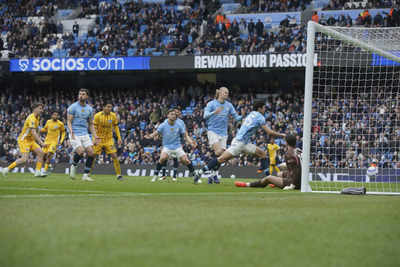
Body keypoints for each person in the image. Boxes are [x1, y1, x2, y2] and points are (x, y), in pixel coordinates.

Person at [194, 100, 285, 184]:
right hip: (239, 143)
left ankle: (268, 178)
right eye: (264, 107)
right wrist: (283, 135)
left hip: (244, 143)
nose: (265, 109)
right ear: (260, 108)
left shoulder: (252, 113)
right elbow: (269, 132)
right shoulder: (260, 117)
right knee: (221, 159)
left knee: (263, 154)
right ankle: (200, 172)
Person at [145, 109, 197, 182]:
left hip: (177, 146)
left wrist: (191, 142)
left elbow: (185, 136)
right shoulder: (163, 125)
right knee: (162, 158)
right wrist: (150, 136)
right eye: (171, 114)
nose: (173, 115)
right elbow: (156, 132)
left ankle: (195, 176)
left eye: (174, 114)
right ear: (168, 115)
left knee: (186, 160)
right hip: (167, 146)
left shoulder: (179, 125)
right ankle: (155, 175)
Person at [203, 86, 242, 184]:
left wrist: (243, 117)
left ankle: (213, 175)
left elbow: (236, 117)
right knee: (218, 152)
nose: (227, 94)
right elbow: (205, 116)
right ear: (220, 93)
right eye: (225, 92)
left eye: (227, 93)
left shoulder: (229, 105)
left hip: (224, 133)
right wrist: (214, 112)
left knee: (222, 156)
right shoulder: (211, 104)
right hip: (213, 131)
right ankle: (211, 174)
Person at [235, 135, 301, 190]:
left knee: (268, 178)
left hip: (294, 181)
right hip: (301, 179)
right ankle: (275, 183)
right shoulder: (298, 150)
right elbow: (297, 166)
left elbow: (296, 170)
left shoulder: (289, 153)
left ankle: (248, 184)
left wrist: (292, 185)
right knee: (279, 174)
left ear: (287, 142)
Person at [2, 103, 48, 177]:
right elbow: (33, 132)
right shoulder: (31, 118)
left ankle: (38, 172)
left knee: (41, 153)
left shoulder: (38, 117)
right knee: (24, 159)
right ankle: (6, 169)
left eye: (42, 109)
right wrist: (41, 143)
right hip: (24, 140)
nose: (42, 110)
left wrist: (39, 138)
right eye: (40, 108)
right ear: (35, 109)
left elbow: (36, 130)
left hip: (31, 140)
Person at [67, 88, 99, 181]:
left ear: (87, 96)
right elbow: (69, 121)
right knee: (80, 152)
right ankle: (74, 165)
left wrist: (95, 136)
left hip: (84, 133)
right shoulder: (73, 107)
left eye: (83, 94)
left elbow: (90, 124)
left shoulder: (89, 109)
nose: (81, 95)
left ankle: (85, 175)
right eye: (80, 94)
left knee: (92, 153)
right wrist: (71, 131)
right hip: (75, 133)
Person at [92, 102, 123, 180]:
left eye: (111, 107)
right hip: (99, 139)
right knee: (93, 156)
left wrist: (119, 138)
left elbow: (116, 127)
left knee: (114, 156)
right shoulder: (97, 116)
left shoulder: (113, 116)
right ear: (103, 107)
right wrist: (94, 139)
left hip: (109, 139)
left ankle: (119, 175)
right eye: (108, 107)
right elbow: (93, 128)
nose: (110, 108)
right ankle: (87, 173)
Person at [40, 110, 66, 175]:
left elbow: (63, 132)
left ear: (58, 116)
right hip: (47, 141)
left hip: (54, 142)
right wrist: (39, 129)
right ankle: (49, 165)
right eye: (54, 115)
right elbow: (45, 129)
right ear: (52, 116)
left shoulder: (60, 124)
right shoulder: (48, 122)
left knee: (49, 154)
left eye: (56, 115)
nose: (55, 116)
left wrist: (61, 140)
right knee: (43, 156)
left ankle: (44, 171)